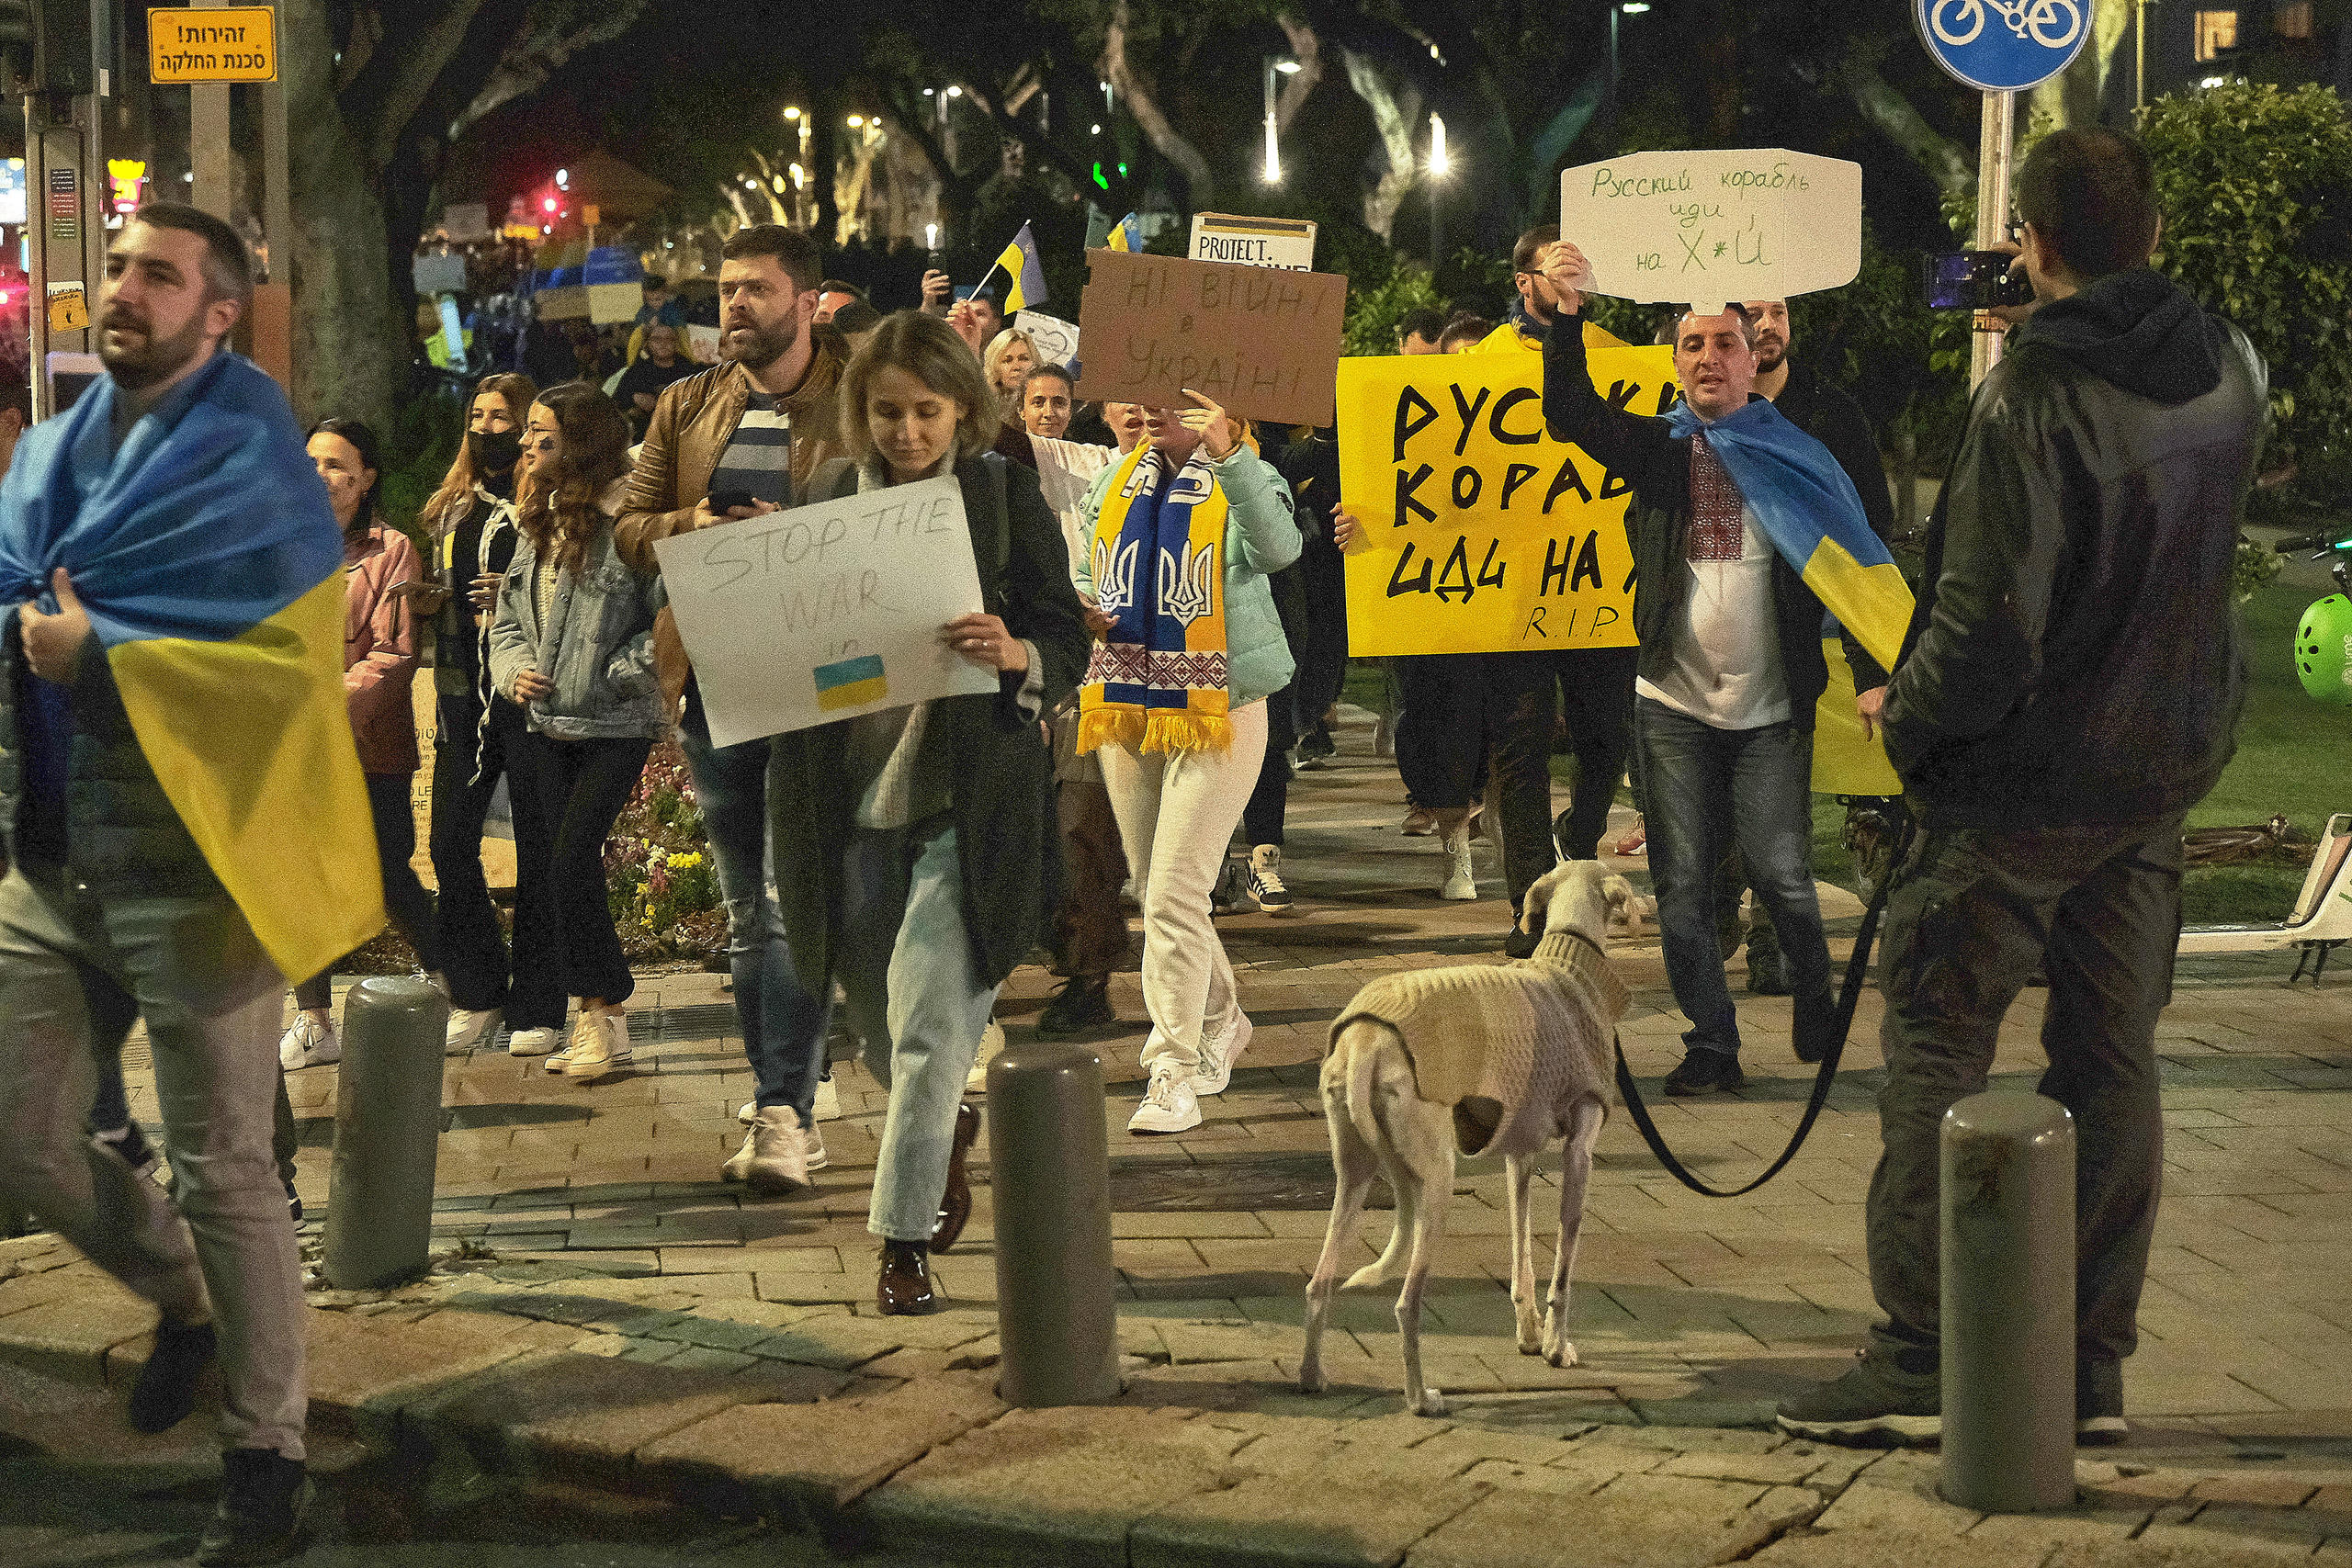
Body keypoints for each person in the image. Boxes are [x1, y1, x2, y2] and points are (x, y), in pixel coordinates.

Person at [1775, 128, 2268, 1447]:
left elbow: (1992, 624)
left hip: (2017, 789)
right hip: (2153, 773)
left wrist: (1911, 724)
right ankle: (2088, 1362)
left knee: (1936, 1051)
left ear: (2033, 242)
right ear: (2153, 235)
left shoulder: (2034, 396)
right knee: (2112, 1062)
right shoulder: (2230, 363)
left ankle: (1925, 1349)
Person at [0, 202, 384, 1563]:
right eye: (117, 268)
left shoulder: (256, 464)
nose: (124, 289)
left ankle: (266, 1452)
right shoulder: (46, 451)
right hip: (49, 858)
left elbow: (282, 674)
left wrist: (101, 656)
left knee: (227, 1165)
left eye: (158, 275)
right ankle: (184, 1297)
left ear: (219, 312)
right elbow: (14, 591)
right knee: (22, 1132)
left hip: (197, 866)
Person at [782, 309, 1088, 1310]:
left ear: (964, 409)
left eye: (926, 412)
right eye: (886, 413)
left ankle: (901, 1244)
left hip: (969, 807)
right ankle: (945, 1122)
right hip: (852, 810)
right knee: (881, 1033)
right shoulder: (827, 497)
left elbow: (1062, 632)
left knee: (923, 1033)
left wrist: (1019, 656)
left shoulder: (1000, 498)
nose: (906, 433)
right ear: (859, 415)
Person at [1539, 241, 1875, 1095]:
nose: (1709, 359)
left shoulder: (1797, 450)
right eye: (1692, 345)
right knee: (1682, 890)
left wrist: (1876, 668)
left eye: (1725, 343)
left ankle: (1812, 987)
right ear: (1677, 359)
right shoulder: (1659, 446)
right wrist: (1569, 317)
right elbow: (1571, 414)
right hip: (1673, 704)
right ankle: (1712, 1045)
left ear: (1752, 354)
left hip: (1770, 708)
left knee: (1786, 876)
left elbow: (1858, 559)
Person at [615, 224, 848, 1189]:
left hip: (830, 677)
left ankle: (787, 1107)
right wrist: (695, 526)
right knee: (751, 916)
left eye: (755, 288)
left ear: (807, 300)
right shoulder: (686, 406)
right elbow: (628, 529)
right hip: (713, 678)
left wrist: (800, 536)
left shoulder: (860, 396)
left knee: (796, 907)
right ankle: (780, 1097)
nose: (734, 306)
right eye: (725, 291)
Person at [1073, 392, 1301, 1134]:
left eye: (1172, 401)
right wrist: (1081, 604)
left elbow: (1279, 550)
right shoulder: (1115, 480)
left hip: (1220, 707)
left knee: (1173, 891)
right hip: (1127, 703)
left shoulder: (1246, 474)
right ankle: (1224, 1018)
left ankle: (1170, 1067)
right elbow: (1085, 566)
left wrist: (1231, 454)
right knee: (1159, 889)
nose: (1150, 413)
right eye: (1141, 399)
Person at [1721, 296, 1898, 993]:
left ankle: (1774, 945)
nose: (1767, 327)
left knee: (1780, 795)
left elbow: (1867, 536)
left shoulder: (1832, 418)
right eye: (1751, 313)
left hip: (1803, 642)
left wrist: (1868, 663)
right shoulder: (1692, 422)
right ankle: (1719, 904)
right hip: (1715, 642)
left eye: (1780, 311)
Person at [486, 383, 660, 1083]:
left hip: (616, 719)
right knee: (564, 868)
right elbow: (506, 618)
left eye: (542, 435)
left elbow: (670, 616)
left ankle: (605, 1009)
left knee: (568, 856)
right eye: (528, 432)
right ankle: (599, 1017)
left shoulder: (630, 521)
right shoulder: (538, 516)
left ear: (581, 443)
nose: (526, 445)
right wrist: (516, 670)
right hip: (545, 718)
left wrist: (620, 673)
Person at [275, 419, 439, 1071]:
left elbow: (393, 652)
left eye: (339, 464)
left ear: (367, 477)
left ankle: (450, 979)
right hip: (293, 747)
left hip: (366, 743)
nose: (322, 475)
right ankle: (314, 1017)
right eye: (312, 460)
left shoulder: (391, 551)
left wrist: (324, 710)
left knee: (383, 874)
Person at [419, 373, 563, 1056]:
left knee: (539, 849)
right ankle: (478, 988)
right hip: (461, 696)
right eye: (478, 415)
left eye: (503, 417)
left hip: (529, 693)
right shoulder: (453, 505)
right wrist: (427, 600)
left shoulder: (547, 504)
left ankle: (539, 1000)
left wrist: (509, 591)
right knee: (450, 841)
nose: (489, 428)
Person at [614, 322, 696, 440]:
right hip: (645, 438)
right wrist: (634, 398)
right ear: (647, 343)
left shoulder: (690, 370)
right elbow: (616, 402)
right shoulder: (637, 371)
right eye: (656, 339)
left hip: (684, 436)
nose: (663, 343)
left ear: (676, 343)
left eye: (669, 339)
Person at [1019, 363, 1075, 442]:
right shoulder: (1004, 453)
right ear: (1021, 410)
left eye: (1059, 403)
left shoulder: (1084, 453)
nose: (1049, 413)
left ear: (1070, 411)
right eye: (1038, 403)